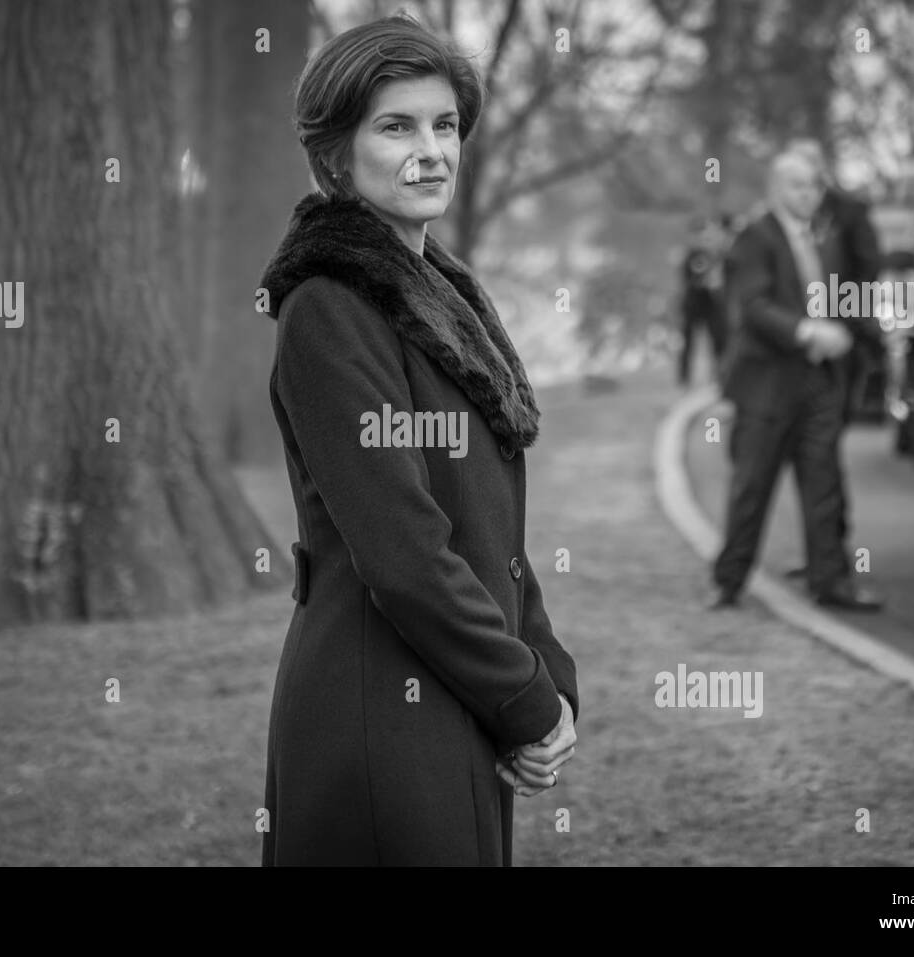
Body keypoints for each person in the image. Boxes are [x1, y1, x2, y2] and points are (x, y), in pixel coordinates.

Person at [257, 14, 580, 866]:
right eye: (396, 127)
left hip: (453, 692)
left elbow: (484, 524)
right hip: (376, 718)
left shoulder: (439, 291)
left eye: (444, 125)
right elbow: (404, 550)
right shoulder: (329, 307)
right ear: (334, 153)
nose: (431, 149)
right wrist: (521, 696)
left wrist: (544, 668)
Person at [708, 150, 884, 612]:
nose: (809, 194)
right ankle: (729, 582)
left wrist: (850, 330)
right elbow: (755, 307)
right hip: (767, 385)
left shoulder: (822, 239)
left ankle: (832, 584)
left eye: (815, 186)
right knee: (753, 486)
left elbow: (840, 297)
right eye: (799, 186)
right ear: (777, 189)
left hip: (819, 381)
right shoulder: (755, 237)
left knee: (823, 485)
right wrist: (808, 331)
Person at [677, 216, 729, 386]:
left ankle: (719, 374)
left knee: (717, 341)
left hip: (711, 306)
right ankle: (684, 377)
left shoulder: (715, 254)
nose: (704, 239)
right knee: (688, 343)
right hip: (693, 305)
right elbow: (690, 279)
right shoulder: (692, 255)